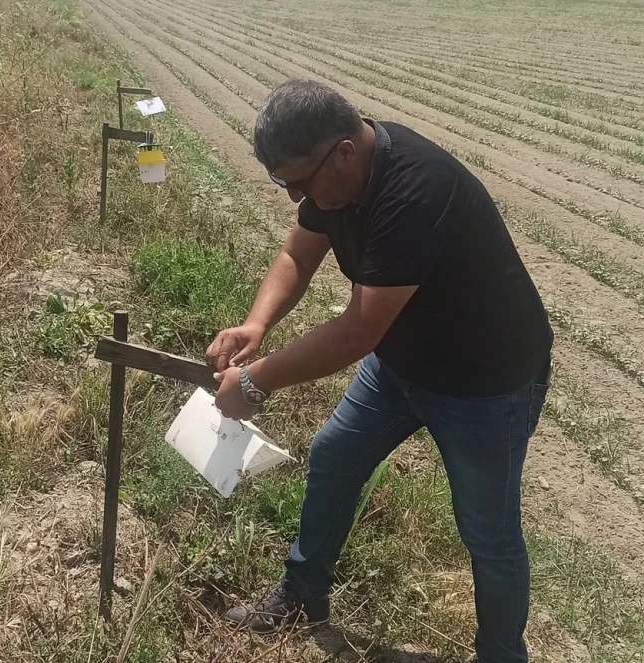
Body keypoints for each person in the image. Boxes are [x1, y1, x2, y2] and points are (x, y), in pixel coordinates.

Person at [207, 78, 552, 663]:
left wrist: (256, 381)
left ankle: (500, 655)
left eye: (297, 181)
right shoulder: (333, 185)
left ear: (344, 151)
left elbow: (357, 330)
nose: (294, 198)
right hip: (401, 363)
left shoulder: (414, 189)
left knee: (487, 533)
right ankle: (301, 593)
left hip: (485, 383)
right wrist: (256, 325)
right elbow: (296, 253)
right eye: (281, 182)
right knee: (336, 455)